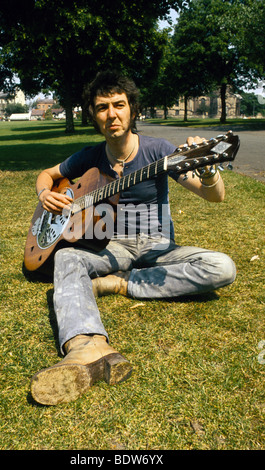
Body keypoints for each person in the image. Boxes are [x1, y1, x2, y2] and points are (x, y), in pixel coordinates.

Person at [30, 70, 236, 406]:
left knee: (222, 267)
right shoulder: (90, 156)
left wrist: (209, 170)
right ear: (94, 116)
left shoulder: (159, 151)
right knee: (67, 258)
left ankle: (120, 284)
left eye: (119, 104)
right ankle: (84, 343)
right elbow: (48, 175)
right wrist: (43, 194)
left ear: (132, 110)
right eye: (101, 107)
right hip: (109, 246)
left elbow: (214, 197)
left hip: (157, 247)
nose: (111, 114)